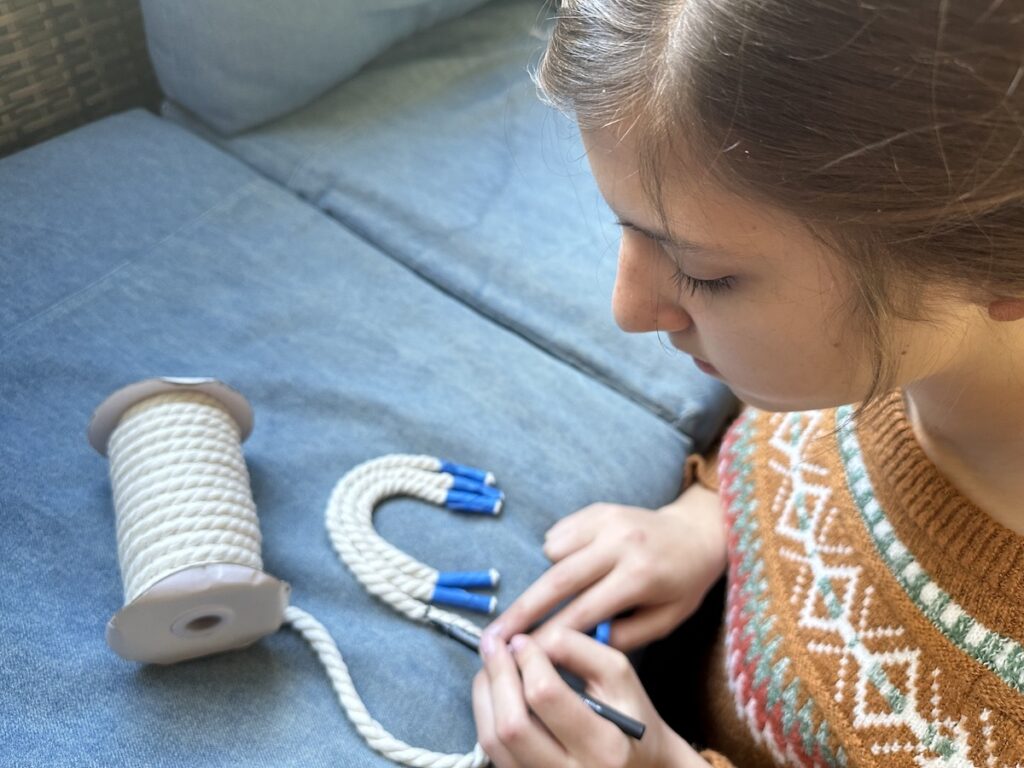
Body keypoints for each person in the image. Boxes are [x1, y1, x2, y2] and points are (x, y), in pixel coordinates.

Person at [470, 1, 1024, 766]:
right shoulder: (890, 350)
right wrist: (717, 513)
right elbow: (808, 436)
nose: (628, 310)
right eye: (625, 230)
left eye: (706, 274)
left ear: (998, 265)